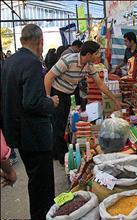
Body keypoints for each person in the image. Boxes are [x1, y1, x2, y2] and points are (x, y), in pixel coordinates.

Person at [1, 24, 59, 220]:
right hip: (34, 135)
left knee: (36, 182)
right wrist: (50, 102)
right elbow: (32, 102)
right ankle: (43, 216)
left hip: (19, 134)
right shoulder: (32, 63)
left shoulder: (11, 61)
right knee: (42, 186)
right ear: (40, 41)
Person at [44, 41, 122, 165]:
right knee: (58, 125)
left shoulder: (89, 65)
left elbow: (100, 84)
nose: (99, 56)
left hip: (68, 94)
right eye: (97, 53)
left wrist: (115, 100)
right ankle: (61, 157)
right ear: (89, 54)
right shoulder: (69, 60)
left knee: (62, 123)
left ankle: (58, 152)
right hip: (57, 93)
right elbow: (48, 77)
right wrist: (48, 98)